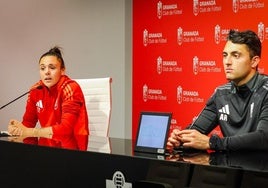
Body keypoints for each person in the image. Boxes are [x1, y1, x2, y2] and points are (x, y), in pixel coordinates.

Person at [167, 29, 268, 151]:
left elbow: (264, 138)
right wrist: (180, 140)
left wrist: (212, 143)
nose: (227, 62)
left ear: (254, 61)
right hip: (230, 168)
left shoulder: (265, 91)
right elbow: (195, 131)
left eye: (236, 55)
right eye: (225, 55)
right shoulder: (221, 94)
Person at [7, 46, 89, 143]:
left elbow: (66, 129)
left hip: (71, 150)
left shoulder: (71, 88)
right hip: (45, 149)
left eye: (52, 68)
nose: (46, 72)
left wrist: (32, 132)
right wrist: (18, 129)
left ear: (62, 70)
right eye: (42, 68)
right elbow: (28, 123)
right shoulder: (36, 90)